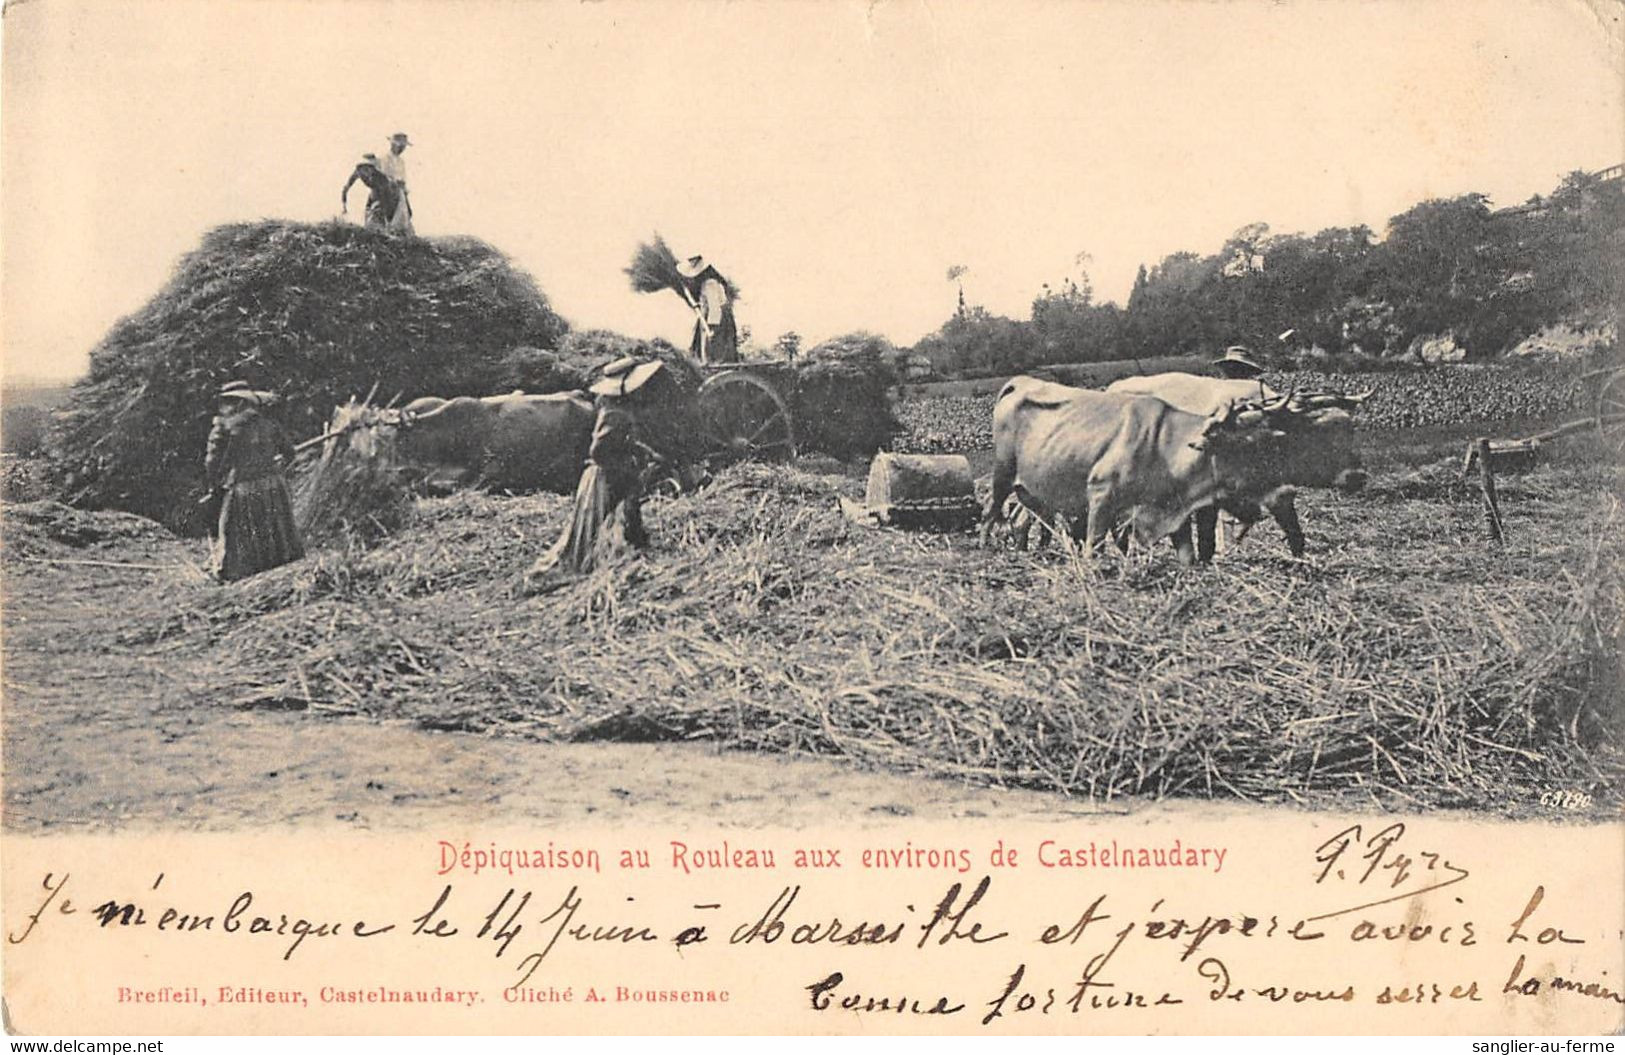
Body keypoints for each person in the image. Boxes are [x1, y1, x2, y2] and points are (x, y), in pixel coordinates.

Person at [522, 358, 667, 594]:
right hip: (605, 477)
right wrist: (623, 465)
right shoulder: (615, 413)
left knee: (624, 514)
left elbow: (621, 442)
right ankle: (602, 560)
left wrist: (641, 451)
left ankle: (629, 551)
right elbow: (599, 451)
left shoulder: (618, 409)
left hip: (612, 473)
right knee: (605, 519)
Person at [204, 381, 305, 582]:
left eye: (227, 402)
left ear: (238, 403)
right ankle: (277, 562)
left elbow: (211, 461)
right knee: (273, 523)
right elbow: (290, 454)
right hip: (274, 484)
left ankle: (232, 570)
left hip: (242, 485)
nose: (224, 406)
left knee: (234, 528)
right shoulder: (269, 424)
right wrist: (275, 469)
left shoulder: (224, 427)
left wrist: (213, 484)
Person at [677, 256, 739, 364]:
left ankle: (714, 365)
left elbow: (715, 308)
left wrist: (712, 330)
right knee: (705, 348)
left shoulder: (710, 284)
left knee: (715, 351)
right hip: (710, 318)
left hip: (717, 321)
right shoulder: (706, 284)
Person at [340, 153, 401, 231]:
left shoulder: (380, 178)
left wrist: (387, 218)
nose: (367, 171)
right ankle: (369, 227)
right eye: (364, 168)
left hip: (389, 192)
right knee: (368, 211)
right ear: (360, 167)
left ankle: (385, 227)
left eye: (370, 168)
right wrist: (344, 205)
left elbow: (385, 199)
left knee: (378, 211)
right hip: (375, 191)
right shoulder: (357, 172)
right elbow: (346, 188)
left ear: (373, 168)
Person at [377, 132, 414, 234]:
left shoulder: (401, 161)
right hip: (387, 192)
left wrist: (404, 190)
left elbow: (403, 179)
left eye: (403, 147)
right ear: (393, 144)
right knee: (388, 217)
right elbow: (383, 176)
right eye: (400, 146)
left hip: (400, 192)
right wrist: (393, 182)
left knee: (405, 216)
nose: (402, 149)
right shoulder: (385, 158)